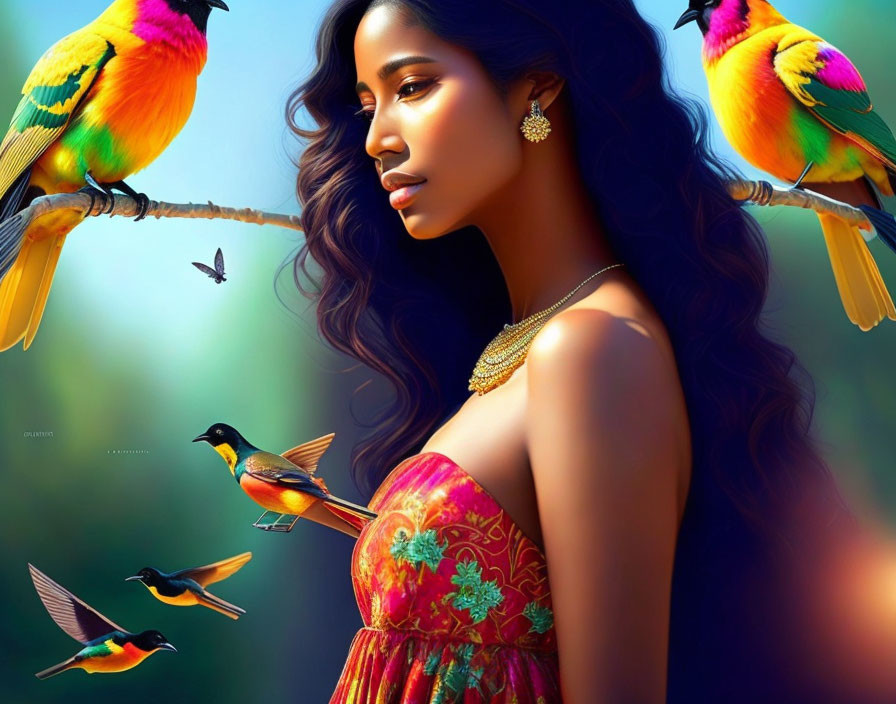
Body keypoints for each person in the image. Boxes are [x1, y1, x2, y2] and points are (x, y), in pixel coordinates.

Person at [285, 1, 889, 701]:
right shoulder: (524, 345)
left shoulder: (592, 350)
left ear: (536, 88)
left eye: (413, 87)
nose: (377, 140)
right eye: (368, 106)